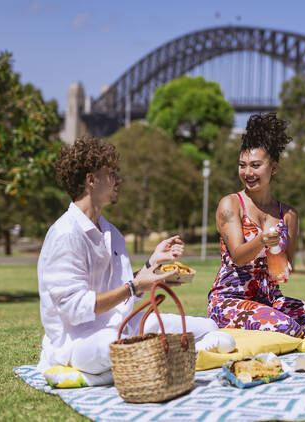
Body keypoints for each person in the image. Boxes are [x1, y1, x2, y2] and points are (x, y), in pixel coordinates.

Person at [37, 137, 217, 381]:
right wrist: (134, 286)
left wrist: (152, 266)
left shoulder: (110, 232)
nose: (117, 180)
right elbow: (75, 309)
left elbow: (121, 288)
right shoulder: (66, 234)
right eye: (110, 174)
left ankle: (161, 358)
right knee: (119, 345)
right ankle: (162, 358)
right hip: (79, 342)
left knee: (210, 330)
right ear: (91, 180)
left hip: (123, 324)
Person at [207, 113, 305, 339]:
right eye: (242, 165)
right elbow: (238, 257)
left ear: (273, 168)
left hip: (270, 299)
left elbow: (286, 266)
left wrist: (282, 266)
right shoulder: (231, 204)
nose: (248, 173)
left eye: (256, 165)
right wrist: (261, 241)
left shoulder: (289, 215)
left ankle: (273, 331)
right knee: (287, 328)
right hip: (230, 300)